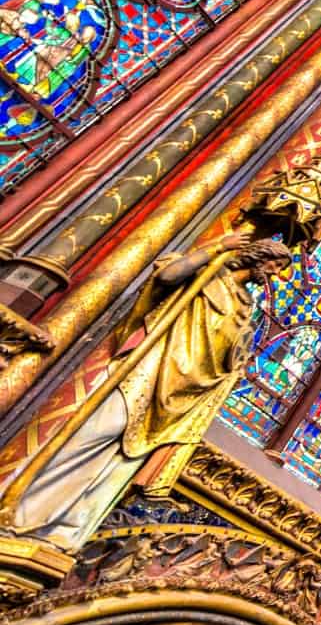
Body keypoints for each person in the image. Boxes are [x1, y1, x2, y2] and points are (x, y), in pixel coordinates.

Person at [11, 233, 292, 547]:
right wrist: (217, 247)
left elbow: (231, 349)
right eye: (275, 264)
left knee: (123, 459)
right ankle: (24, 513)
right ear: (257, 255)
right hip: (154, 366)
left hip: (186, 390)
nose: (275, 274)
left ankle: (63, 531)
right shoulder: (209, 271)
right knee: (100, 429)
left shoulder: (246, 304)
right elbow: (168, 276)